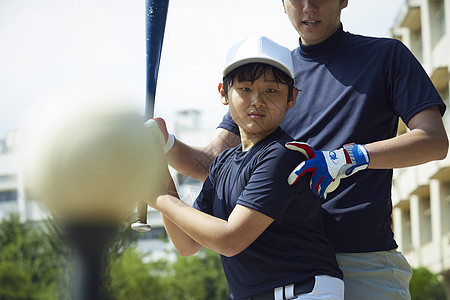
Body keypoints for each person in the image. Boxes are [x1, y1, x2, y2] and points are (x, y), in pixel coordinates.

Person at [152, 1, 449, 299]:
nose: (309, 7)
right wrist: (161, 145)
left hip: (362, 257)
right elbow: (213, 164)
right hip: (278, 264)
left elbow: (434, 141)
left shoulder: (384, 56)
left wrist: (349, 157)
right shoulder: (265, 73)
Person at [147, 35, 344, 300]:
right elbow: (187, 243)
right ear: (223, 93)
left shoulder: (284, 155)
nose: (257, 100)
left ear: (292, 97)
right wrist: (156, 160)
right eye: (245, 88)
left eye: (271, 90)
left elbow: (230, 240)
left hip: (303, 292)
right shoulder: (222, 164)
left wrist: (158, 199)